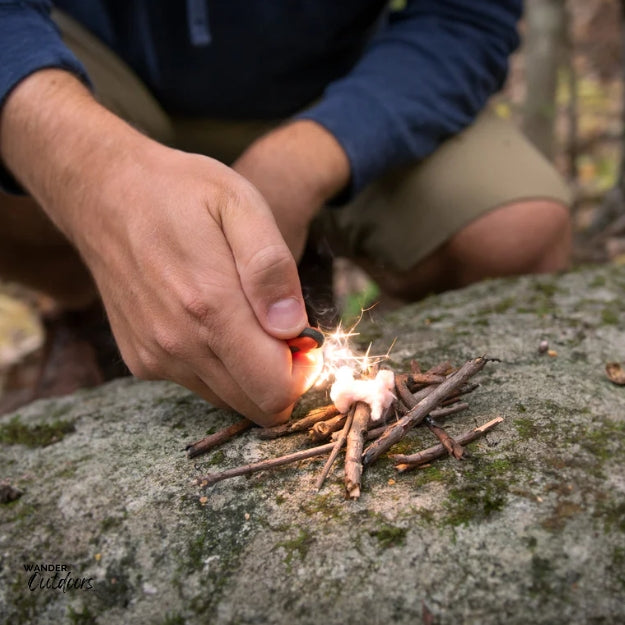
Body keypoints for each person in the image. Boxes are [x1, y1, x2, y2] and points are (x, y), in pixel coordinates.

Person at [0, 1, 571, 425]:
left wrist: (305, 161)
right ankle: (91, 306)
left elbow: (467, 17)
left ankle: (308, 270)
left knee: (516, 230)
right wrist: (100, 181)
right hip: (92, 85)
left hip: (339, 87)